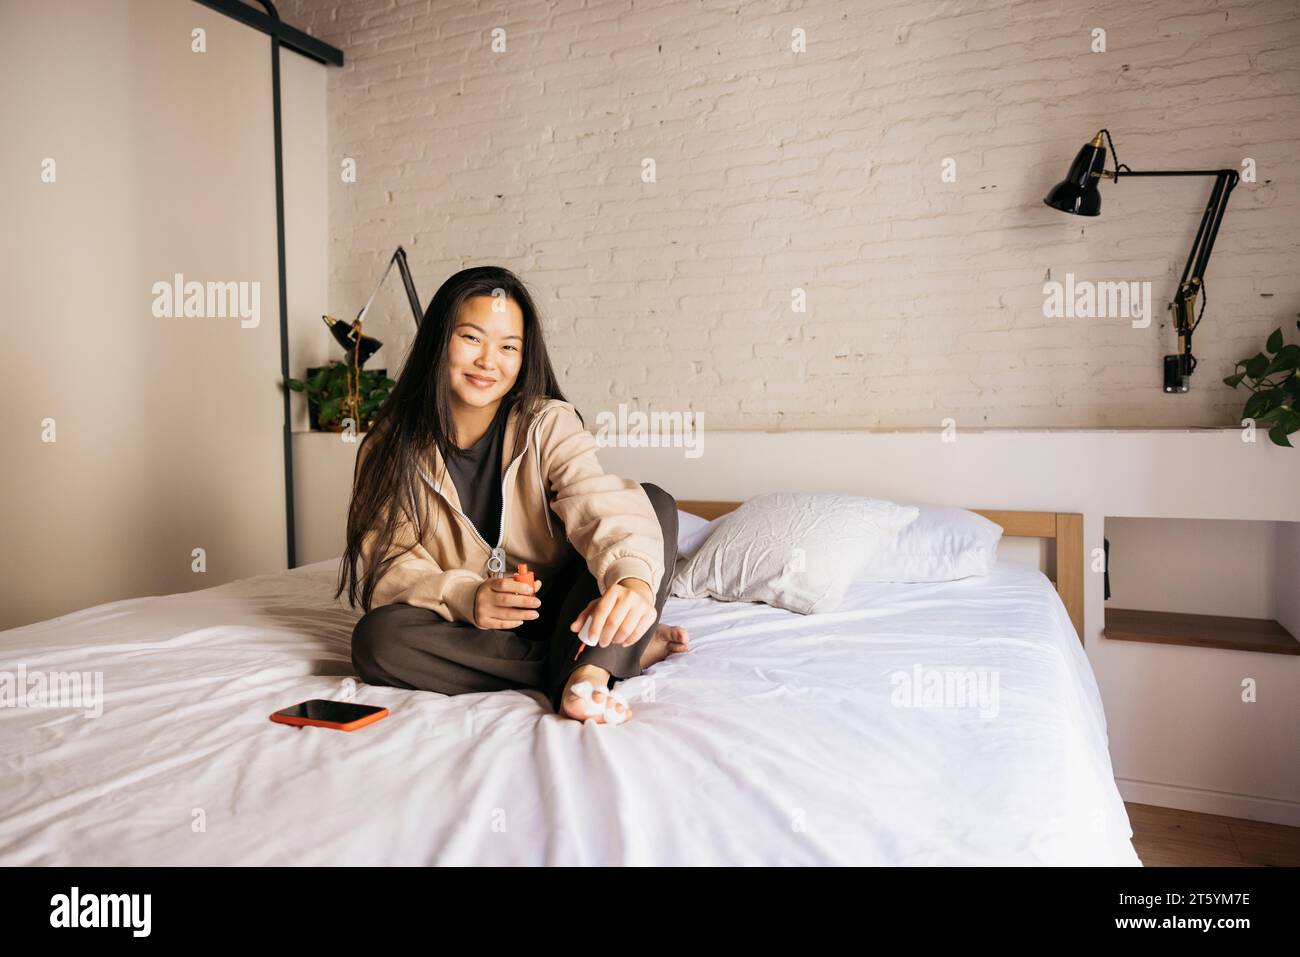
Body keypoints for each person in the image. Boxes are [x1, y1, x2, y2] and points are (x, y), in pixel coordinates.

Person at [337, 265, 690, 724]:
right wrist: (468, 597)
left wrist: (632, 583)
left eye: (508, 347)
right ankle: (601, 660)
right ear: (437, 342)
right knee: (377, 641)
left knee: (651, 502)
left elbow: (597, 504)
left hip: (571, 604)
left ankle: (592, 678)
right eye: (471, 338)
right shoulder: (388, 448)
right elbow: (393, 562)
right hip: (478, 625)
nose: (489, 361)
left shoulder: (547, 422)